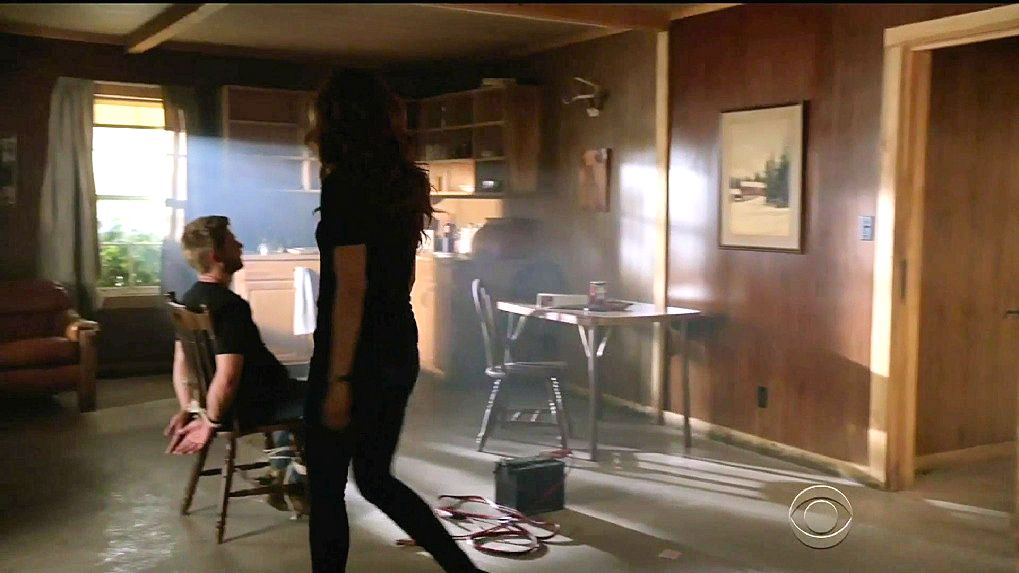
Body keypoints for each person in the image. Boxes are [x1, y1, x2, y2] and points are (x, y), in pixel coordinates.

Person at [303, 70, 489, 573]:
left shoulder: (345, 187)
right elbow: (393, 280)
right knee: (374, 478)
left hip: (354, 353)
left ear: (335, 121)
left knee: (326, 487)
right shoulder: (403, 183)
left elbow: (351, 291)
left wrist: (339, 381)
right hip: (397, 345)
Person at [165, 215, 305, 509]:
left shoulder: (190, 299)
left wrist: (190, 407)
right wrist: (210, 421)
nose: (240, 245)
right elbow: (227, 377)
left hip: (242, 401)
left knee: (308, 389)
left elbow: (181, 364)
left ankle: (280, 471)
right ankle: (297, 484)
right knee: (334, 401)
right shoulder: (230, 307)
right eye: (232, 242)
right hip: (254, 405)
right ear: (217, 255)